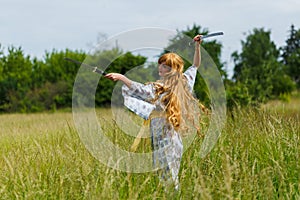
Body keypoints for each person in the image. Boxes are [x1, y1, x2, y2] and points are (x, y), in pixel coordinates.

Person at [105, 35, 202, 192]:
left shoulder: (183, 82)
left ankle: (173, 195)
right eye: (160, 65)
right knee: (162, 174)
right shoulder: (158, 87)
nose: (160, 68)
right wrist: (122, 78)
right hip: (157, 135)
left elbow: (195, 66)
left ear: (172, 69)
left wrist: (198, 47)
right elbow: (140, 90)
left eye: (164, 66)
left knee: (170, 174)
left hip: (169, 137)